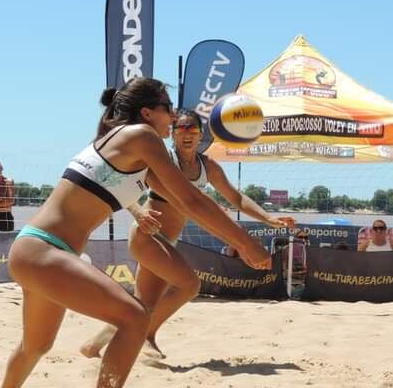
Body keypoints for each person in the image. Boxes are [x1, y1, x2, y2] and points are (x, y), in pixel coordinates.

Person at [0, 79, 270, 388]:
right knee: (135, 318)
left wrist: (245, 233)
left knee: (37, 345)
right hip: (45, 251)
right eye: (168, 110)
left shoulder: (131, 149)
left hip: (36, 250)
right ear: (146, 113)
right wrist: (245, 243)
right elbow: (192, 200)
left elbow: (187, 202)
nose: (172, 117)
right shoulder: (140, 136)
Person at [80, 109, 295, 359]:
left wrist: (268, 218)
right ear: (172, 134)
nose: (187, 134)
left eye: (192, 129)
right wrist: (138, 212)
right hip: (147, 236)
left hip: (169, 240)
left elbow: (236, 198)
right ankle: (146, 338)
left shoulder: (208, 167)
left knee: (145, 303)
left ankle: (94, 346)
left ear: (201, 134)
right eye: (180, 129)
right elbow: (121, 183)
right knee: (189, 285)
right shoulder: (163, 159)